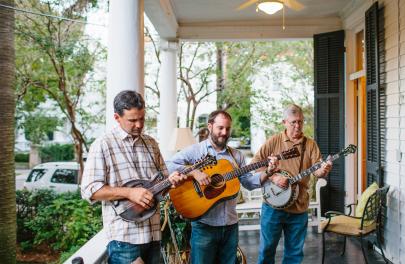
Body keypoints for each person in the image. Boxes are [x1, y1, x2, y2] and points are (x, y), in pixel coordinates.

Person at [81, 90, 186, 264]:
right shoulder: (102, 145)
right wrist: (129, 193)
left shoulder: (151, 143)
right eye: (132, 120)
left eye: (142, 118)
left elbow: (162, 184)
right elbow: (89, 190)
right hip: (124, 238)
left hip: (153, 233)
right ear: (117, 117)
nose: (139, 125)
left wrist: (171, 182)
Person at [167, 110, 278, 264]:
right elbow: (168, 164)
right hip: (204, 225)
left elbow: (248, 183)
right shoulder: (197, 150)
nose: (224, 132)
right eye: (220, 128)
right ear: (210, 126)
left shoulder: (236, 156)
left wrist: (268, 172)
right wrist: (195, 172)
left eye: (227, 129)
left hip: (230, 226)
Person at [254, 104, 332, 264]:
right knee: (266, 251)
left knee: (294, 255)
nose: (298, 126)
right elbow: (255, 165)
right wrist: (273, 177)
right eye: (293, 122)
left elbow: (317, 171)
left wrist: (324, 169)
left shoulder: (310, 144)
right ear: (284, 122)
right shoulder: (274, 141)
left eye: (301, 122)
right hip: (272, 207)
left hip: (299, 206)